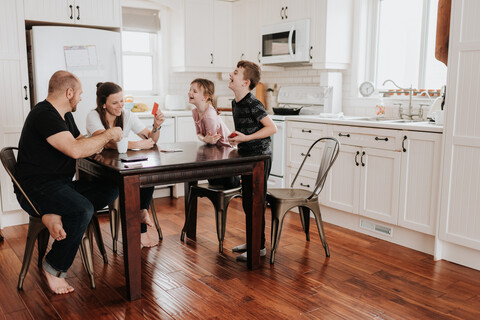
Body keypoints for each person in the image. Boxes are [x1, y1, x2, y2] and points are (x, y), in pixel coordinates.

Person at [15, 70, 122, 295]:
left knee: (110, 188)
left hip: (58, 186)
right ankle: (53, 267)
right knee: (82, 209)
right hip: (36, 188)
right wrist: (108, 135)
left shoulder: (64, 115)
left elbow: (79, 140)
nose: (81, 98)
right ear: (69, 92)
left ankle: (52, 212)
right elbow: (74, 150)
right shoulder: (44, 114)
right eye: (80, 94)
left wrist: (97, 141)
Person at [86, 82, 165, 248]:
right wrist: (137, 144)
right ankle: (142, 221)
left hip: (123, 165)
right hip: (102, 169)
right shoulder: (93, 116)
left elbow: (150, 139)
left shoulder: (127, 115)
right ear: (103, 104)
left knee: (146, 172)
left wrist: (156, 126)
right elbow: (107, 142)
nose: (120, 105)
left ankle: (143, 212)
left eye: (121, 101)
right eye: (115, 103)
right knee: (133, 181)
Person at [227, 60, 277, 262]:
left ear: (245, 82)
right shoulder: (235, 102)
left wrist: (245, 138)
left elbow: (271, 128)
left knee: (255, 202)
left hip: (260, 158)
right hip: (247, 157)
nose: (231, 74)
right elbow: (244, 131)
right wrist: (236, 139)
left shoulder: (253, 102)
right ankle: (254, 241)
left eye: (236, 72)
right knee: (248, 202)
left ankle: (259, 248)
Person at [189, 78, 240, 189]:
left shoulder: (209, 116)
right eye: (190, 89)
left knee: (226, 185)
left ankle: (238, 179)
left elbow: (212, 141)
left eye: (194, 91)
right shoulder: (195, 112)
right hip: (215, 151)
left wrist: (205, 139)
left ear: (205, 97)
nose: (190, 93)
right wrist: (204, 139)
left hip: (226, 152)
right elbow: (199, 134)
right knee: (213, 182)